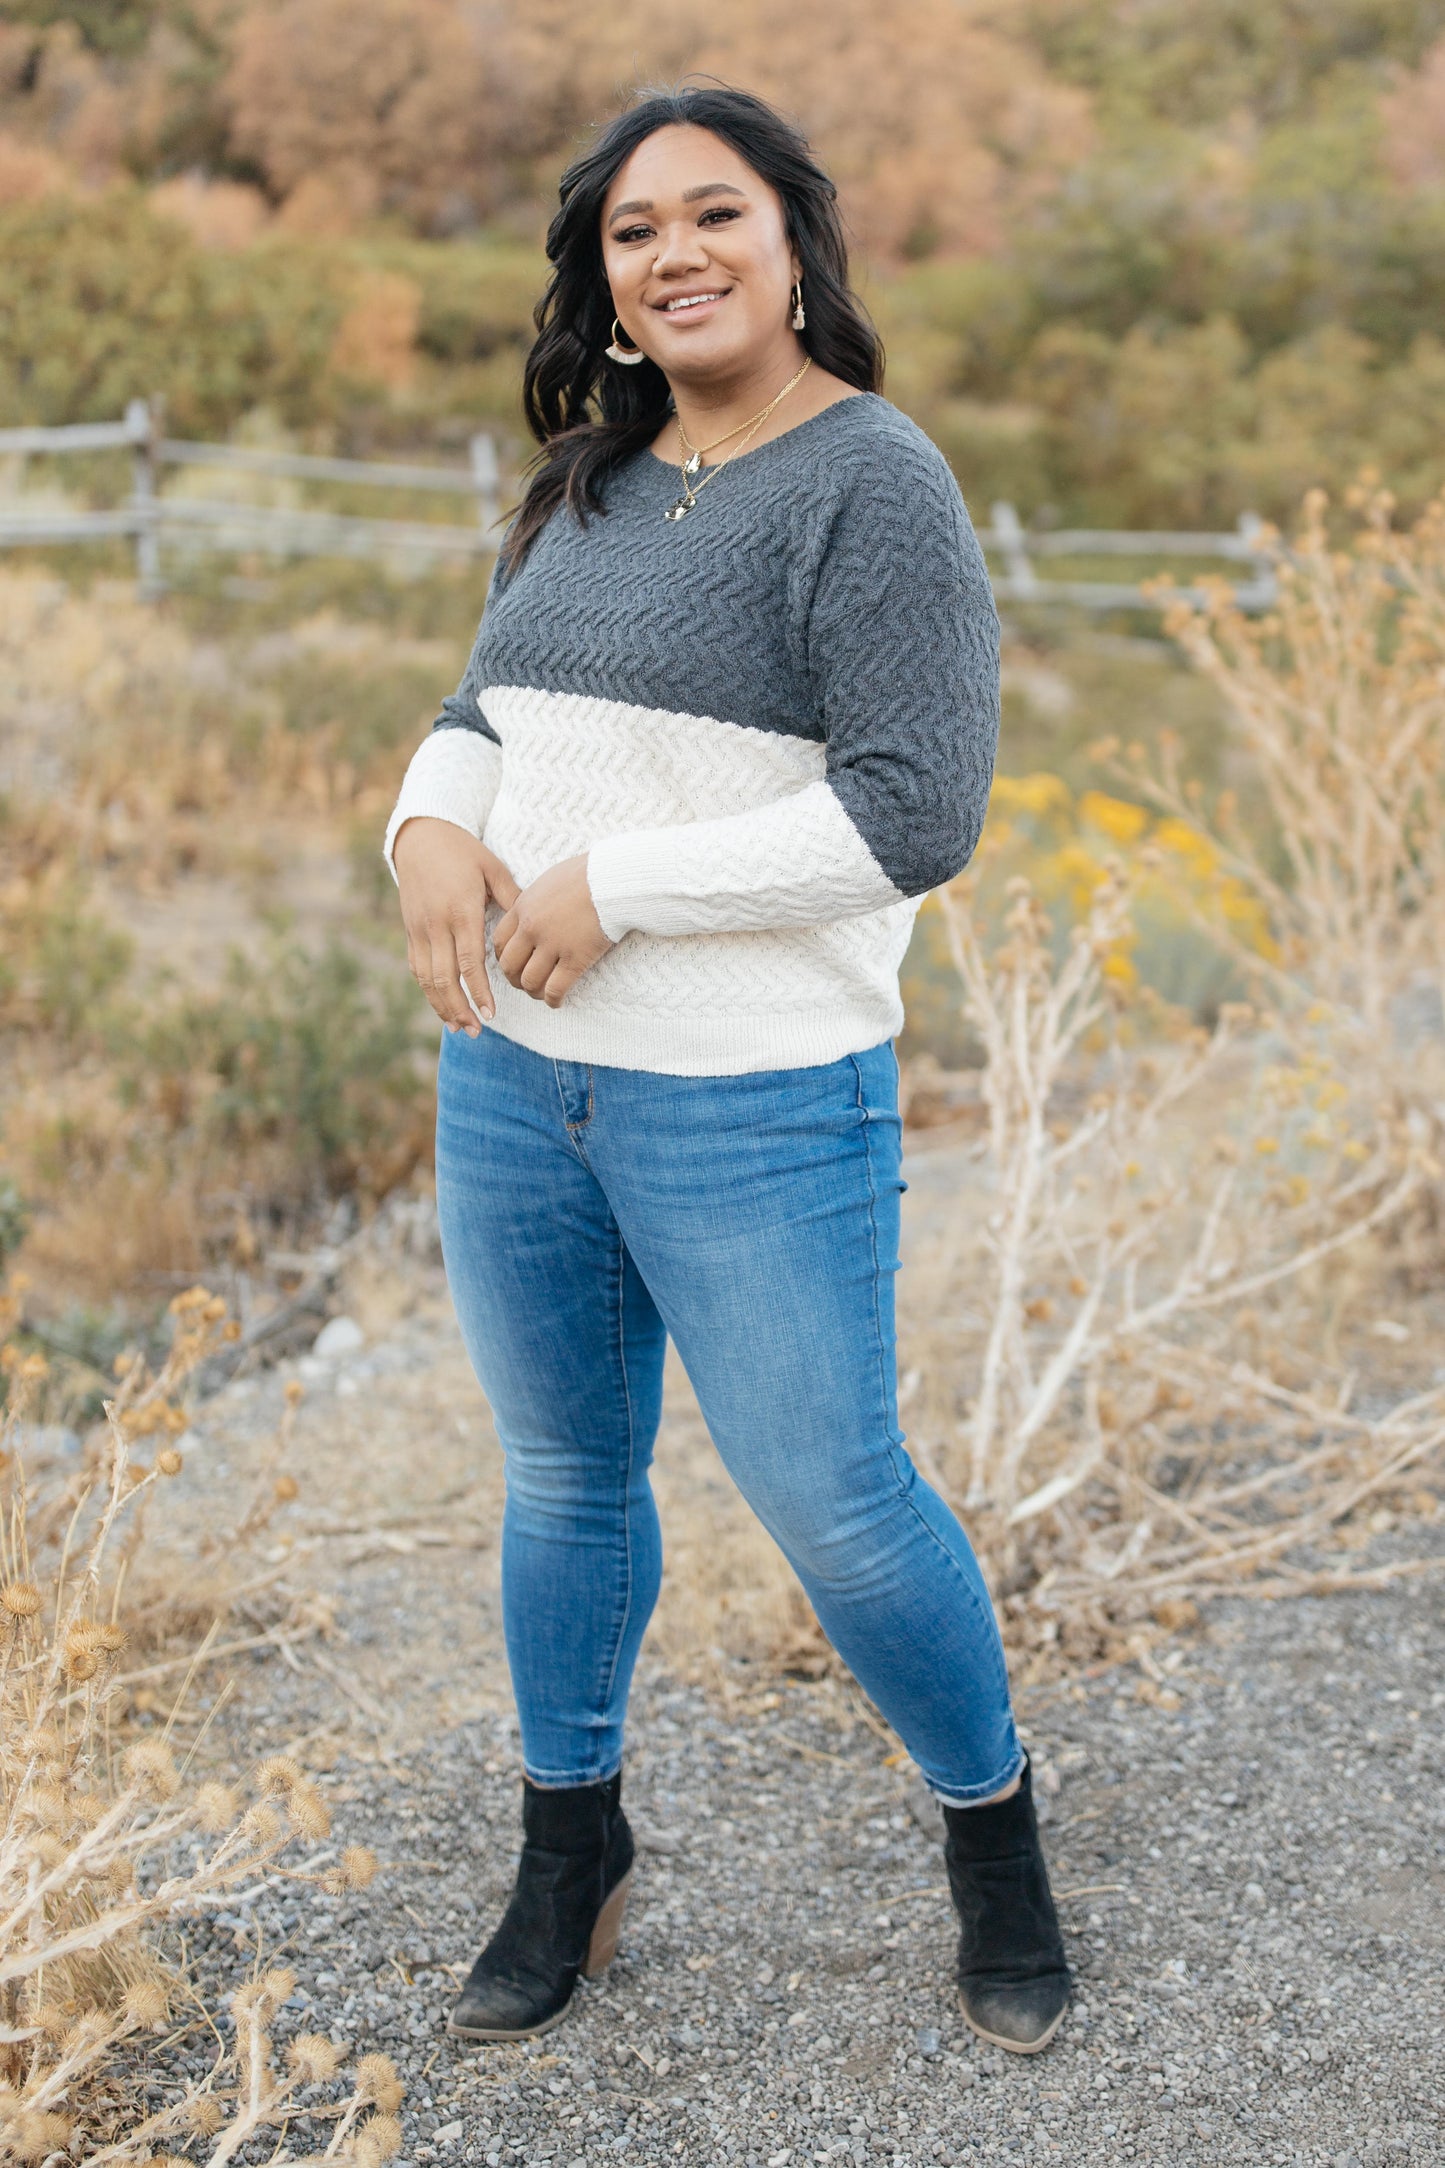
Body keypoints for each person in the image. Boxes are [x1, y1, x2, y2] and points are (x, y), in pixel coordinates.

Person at [384, 84, 1070, 2058]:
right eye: (632, 230)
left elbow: (917, 809)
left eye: (714, 214)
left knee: (839, 1505)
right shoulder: (591, 480)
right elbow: (482, 709)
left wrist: (619, 888)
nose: (672, 253)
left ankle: (995, 1837)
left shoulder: (876, 479)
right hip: (519, 1088)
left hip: (757, 1103)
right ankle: (570, 1847)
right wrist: (426, 830)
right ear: (601, 280)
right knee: (564, 1483)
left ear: (792, 245)